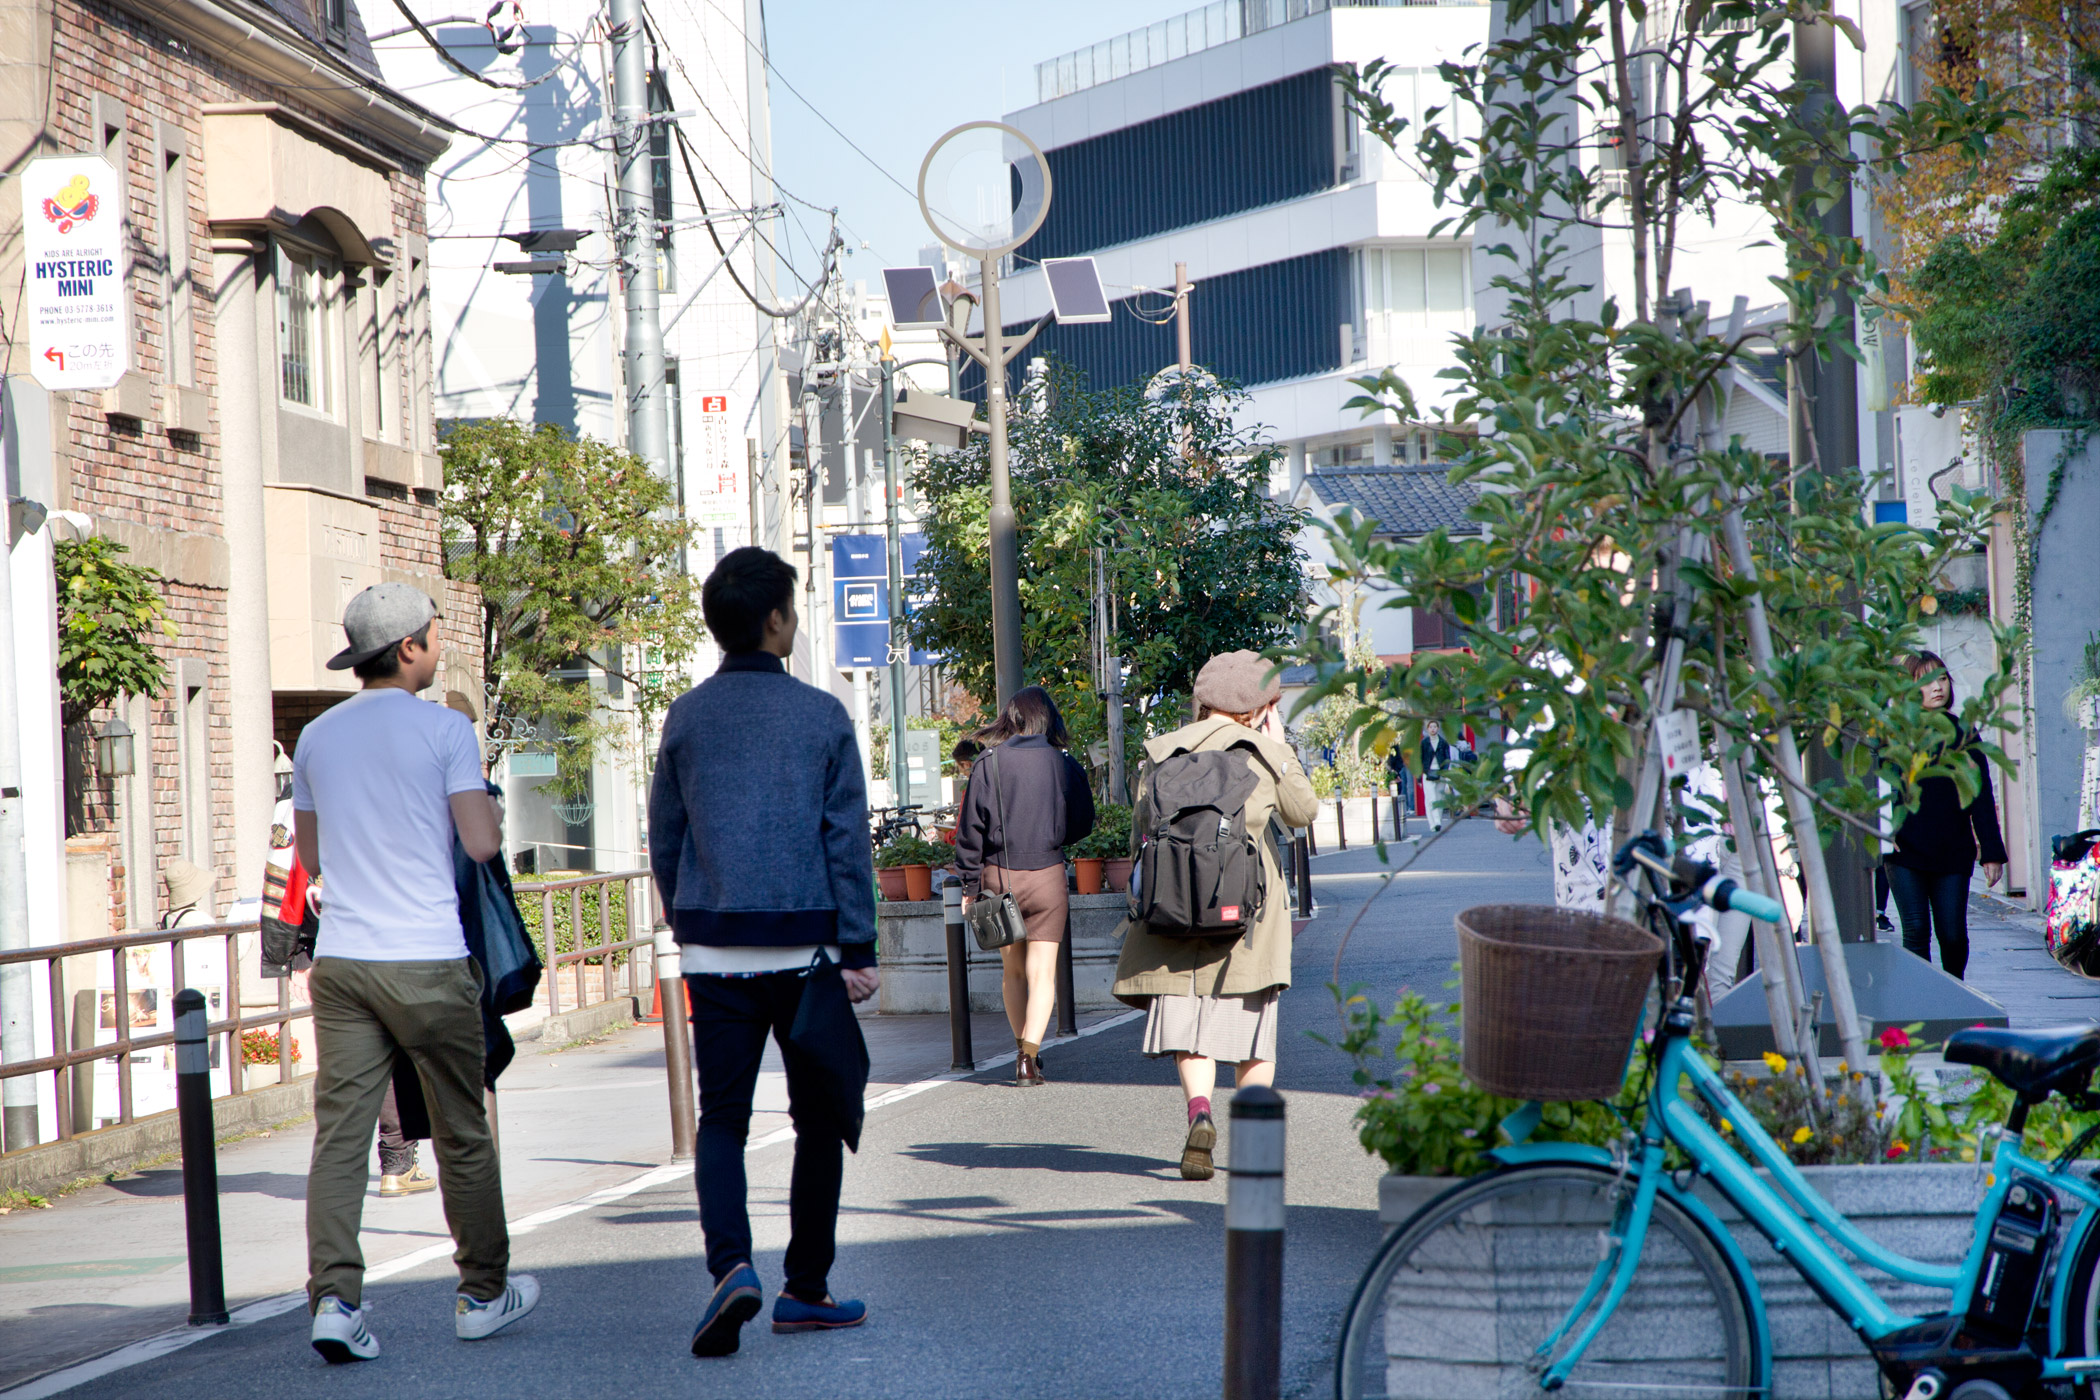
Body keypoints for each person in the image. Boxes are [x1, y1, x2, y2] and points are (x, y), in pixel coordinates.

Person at [293, 583, 534, 1363]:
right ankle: (482, 1294)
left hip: (343, 963)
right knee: (462, 1132)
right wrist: (479, 800)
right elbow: (481, 844)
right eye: (432, 634)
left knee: (340, 1139)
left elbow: (312, 858)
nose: (436, 644)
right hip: (426, 959)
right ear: (408, 649)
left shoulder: (317, 736)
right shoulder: (443, 731)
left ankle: (334, 1302)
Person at [648, 546, 879, 1358]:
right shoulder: (822, 716)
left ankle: (731, 1268)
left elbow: (665, 837)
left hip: (715, 955)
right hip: (808, 953)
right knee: (820, 1121)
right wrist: (859, 944)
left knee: (722, 1121)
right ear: (776, 620)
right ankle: (804, 1289)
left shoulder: (686, 717)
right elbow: (846, 840)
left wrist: (691, 920)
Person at [1112, 652, 1318, 1181]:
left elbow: (1140, 829)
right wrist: (1279, 746)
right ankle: (1250, 1146)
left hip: (1175, 907)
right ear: (1261, 707)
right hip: (1247, 916)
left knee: (1192, 1028)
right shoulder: (1262, 755)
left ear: (1203, 701)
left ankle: (1199, 1114)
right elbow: (1304, 811)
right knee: (1251, 1034)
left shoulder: (1162, 754)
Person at [952, 687, 1095, 1087]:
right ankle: (1028, 1058)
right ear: (1047, 718)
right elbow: (1084, 821)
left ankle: (1023, 1053)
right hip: (1048, 873)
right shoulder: (1064, 763)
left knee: (1012, 971)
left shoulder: (989, 762)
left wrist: (967, 883)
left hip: (1000, 876)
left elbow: (970, 831)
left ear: (1010, 718)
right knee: (1043, 972)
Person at [1882, 650, 2007, 979]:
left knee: (1952, 935)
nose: (1937, 687)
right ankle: (1925, 1007)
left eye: (1941, 678)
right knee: (1916, 933)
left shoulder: (1963, 732)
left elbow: (1981, 793)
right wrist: (1883, 831)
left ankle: (1956, 993)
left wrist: (1991, 852)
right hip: (1904, 850)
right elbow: (1877, 786)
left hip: (1953, 849)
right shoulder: (1894, 732)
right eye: (1926, 680)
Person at [1420, 719, 1455, 831]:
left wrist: (1444, 772)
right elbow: (1419, 759)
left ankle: (1437, 822)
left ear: (1438, 728)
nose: (1433, 729)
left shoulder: (1443, 743)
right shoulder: (1424, 743)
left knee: (1439, 798)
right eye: (1431, 727)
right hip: (1427, 773)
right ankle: (1433, 822)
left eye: (1435, 727)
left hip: (1440, 772)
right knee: (1431, 798)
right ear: (1428, 729)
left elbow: (1447, 758)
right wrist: (1418, 777)